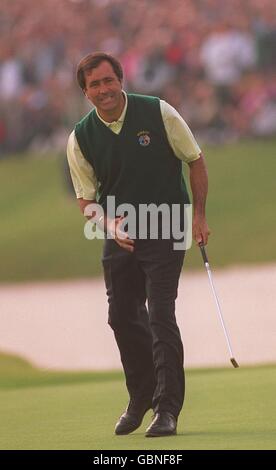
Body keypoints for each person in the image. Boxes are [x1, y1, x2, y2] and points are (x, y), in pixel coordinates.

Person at [67, 52, 210, 438]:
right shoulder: (80, 136)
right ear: (86, 91)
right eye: (94, 84)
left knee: (160, 312)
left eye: (108, 81)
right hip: (120, 234)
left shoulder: (158, 112)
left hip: (167, 226)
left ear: (120, 80)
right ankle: (141, 395)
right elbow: (86, 201)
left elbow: (194, 159)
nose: (103, 89)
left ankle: (166, 409)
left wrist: (198, 216)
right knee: (121, 316)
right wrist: (109, 224)